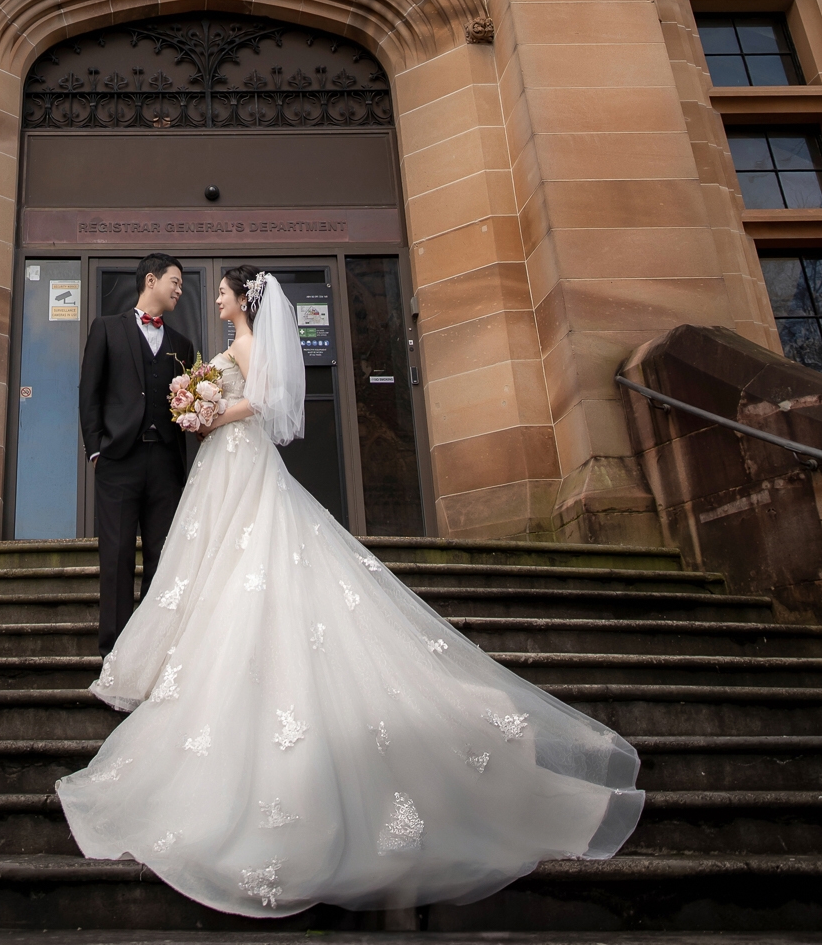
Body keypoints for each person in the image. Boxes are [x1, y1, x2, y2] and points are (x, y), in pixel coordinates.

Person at [59, 267, 644, 918]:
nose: (213, 297)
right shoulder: (218, 344)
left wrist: (214, 411)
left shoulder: (245, 346)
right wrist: (200, 412)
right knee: (221, 560)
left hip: (240, 460)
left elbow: (268, 400)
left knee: (247, 558)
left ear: (242, 299)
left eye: (221, 291)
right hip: (220, 466)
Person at [79, 254, 198, 657]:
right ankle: (113, 655)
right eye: (175, 281)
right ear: (151, 280)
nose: (180, 290)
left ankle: (148, 653)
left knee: (162, 559)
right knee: (116, 558)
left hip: (165, 465)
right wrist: (96, 450)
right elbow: (89, 393)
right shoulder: (106, 328)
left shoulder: (182, 345)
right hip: (118, 460)